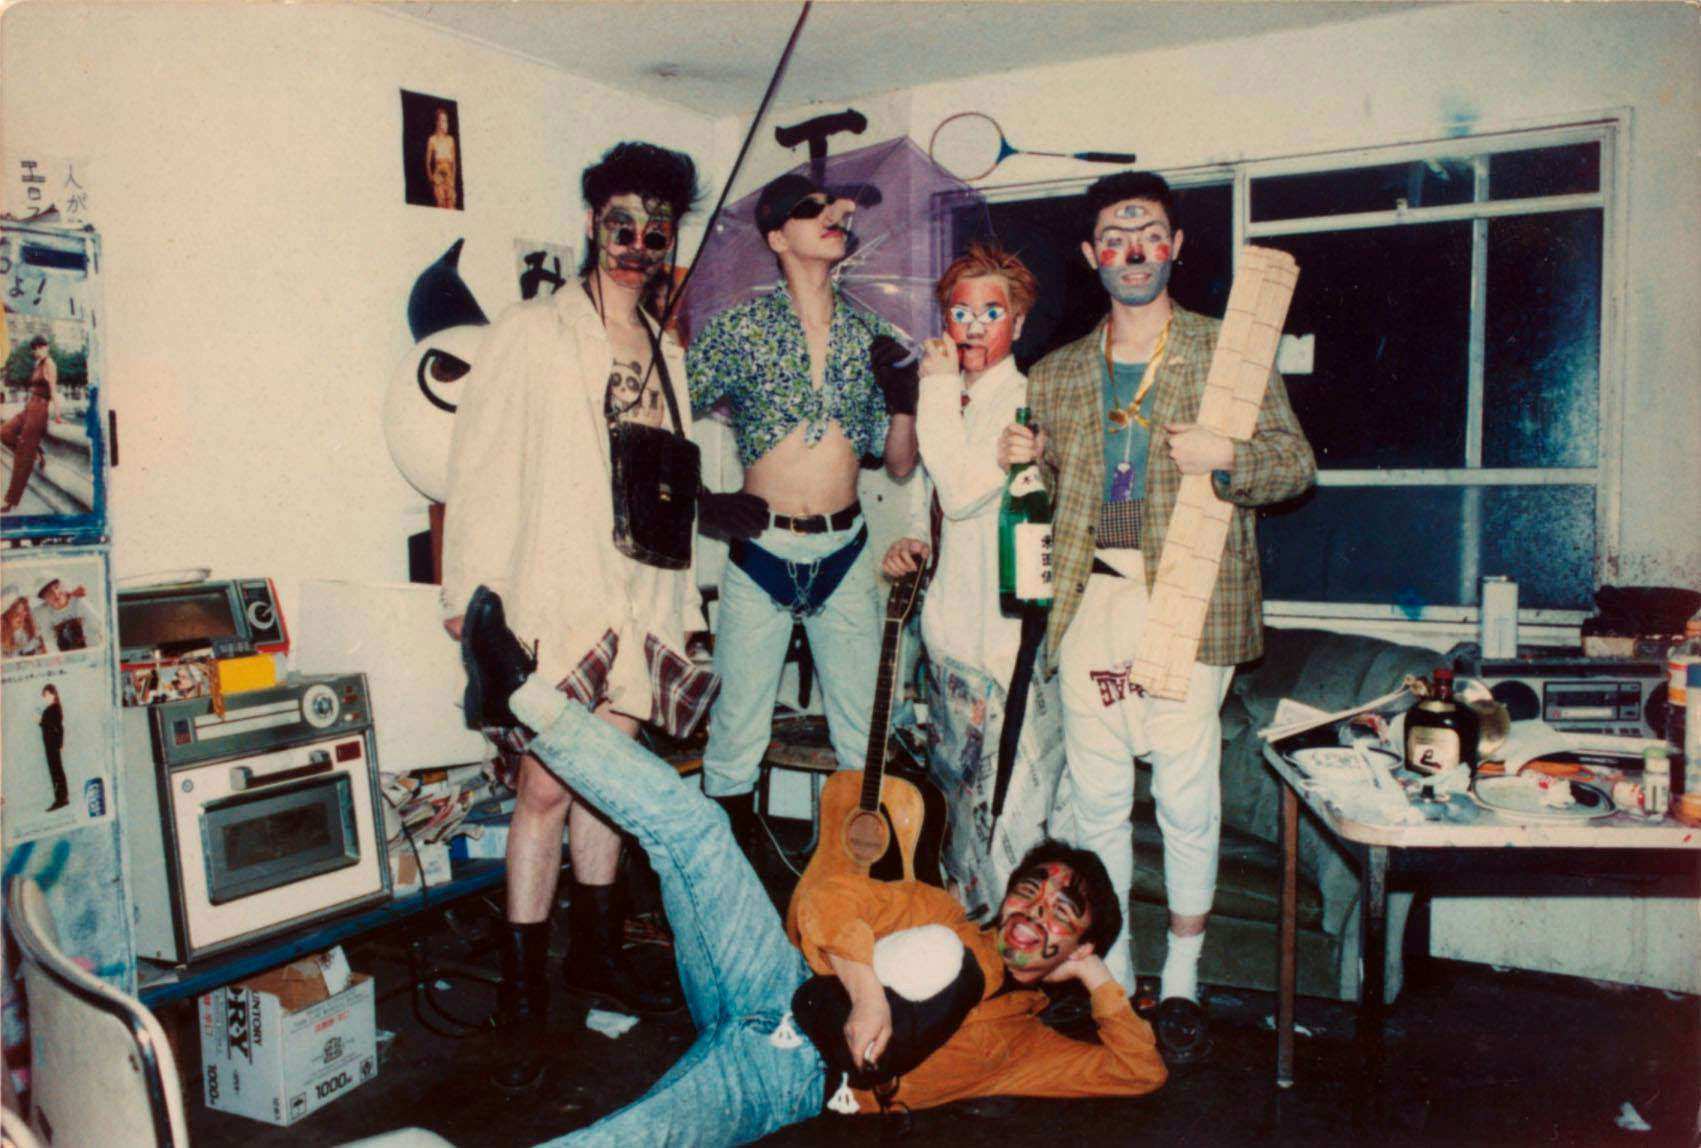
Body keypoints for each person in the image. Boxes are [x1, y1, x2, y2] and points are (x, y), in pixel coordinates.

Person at [454, 587, 1166, 1148]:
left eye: (1060, 916)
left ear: (1077, 948)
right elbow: (826, 899)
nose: (1033, 913)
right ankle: (519, 694)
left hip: (792, 1077)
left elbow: (1139, 1070)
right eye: (1030, 892)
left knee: (640, 1136)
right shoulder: (946, 916)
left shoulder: (1026, 1045)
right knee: (699, 828)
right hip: (774, 979)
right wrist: (867, 993)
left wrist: (1094, 975)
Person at [442, 141, 750, 1092]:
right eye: (621, 225)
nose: (636, 245)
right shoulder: (531, 331)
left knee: (609, 788)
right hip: (556, 595)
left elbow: (669, 486)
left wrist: (686, 597)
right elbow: (478, 467)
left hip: (640, 599)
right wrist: (468, 600)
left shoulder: (668, 347)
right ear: (591, 224)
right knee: (544, 790)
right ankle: (523, 985)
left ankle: (595, 957)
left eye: (655, 232)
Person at [1006, 171, 1315, 1063]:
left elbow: (1293, 466)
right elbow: (1045, 501)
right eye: (1114, 236)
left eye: (1149, 236)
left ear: (1175, 248)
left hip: (1188, 601)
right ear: (1090, 254)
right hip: (1088, 604)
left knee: (1184, 796)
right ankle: (1112, 973)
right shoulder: (1055, 373)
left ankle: (1181, 980)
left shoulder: (1228, 353)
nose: (1132, 251)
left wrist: (1225, 457)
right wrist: (1019, 460)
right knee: (1097, 802)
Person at [687, 172, 920, 844]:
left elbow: (898, 464)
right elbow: (664, 415)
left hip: (844, 552)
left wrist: (903, 401)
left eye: (835, 208)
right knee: (736, 734)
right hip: (760, 551)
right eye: (810, 208)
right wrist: (703, 503)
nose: (832, 214)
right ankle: (726, 886)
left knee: (862, 737)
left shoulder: (872, 332)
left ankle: (851, 884)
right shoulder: (739, 329)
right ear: (775, 237)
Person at [881, 243, 1065, 918]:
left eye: (992, 312)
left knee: (1006, 809)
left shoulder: (1020, 400)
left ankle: (1009, 942)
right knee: (956, 809)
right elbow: (942, 503)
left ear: (1018, 321)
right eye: (961, 312)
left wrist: (930, 387)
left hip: (1000, 642)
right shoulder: (957, 400)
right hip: (950, 635)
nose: (975, 327)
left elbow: (960, 492)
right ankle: (966, 942)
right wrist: (915, 541)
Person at [2, 335, 59, 513]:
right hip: (29, 406)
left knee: (22, 457)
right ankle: (36, 453)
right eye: (34, 349)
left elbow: (53, 390)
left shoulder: (50, 364)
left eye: (40, 347)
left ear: (46, 347)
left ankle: (10, 501)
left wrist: (57, 414)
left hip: (39, 410)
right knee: (4, 432)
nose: (37, 351)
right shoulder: (37, 364)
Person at [33, 577, 100, 652]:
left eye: (56, 587)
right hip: (65, 656)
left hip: (89, 651)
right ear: (44, 599)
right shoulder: (44, 613)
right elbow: (49, 640)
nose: (55, 594)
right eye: (49, 593)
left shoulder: (78, 602)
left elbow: (94, 629)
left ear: (62, 587)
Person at [39, 684, 68, 812]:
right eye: (44, 695)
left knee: (56, 771)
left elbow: (59, 727)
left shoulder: (53, 709)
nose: (45, 697)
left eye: (47, 695)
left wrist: (60, 743)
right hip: (51, 744)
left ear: (53, 694)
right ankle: (62, 798)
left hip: (52, 745)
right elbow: (50, 725)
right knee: (57, 771)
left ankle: (61, 799)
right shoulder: (52, 708)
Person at [425, 107, 458, 210]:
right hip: (438, 176)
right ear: (437, 122)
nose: (445, 123)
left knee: (451, 206)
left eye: (446, 121)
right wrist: (431, 179)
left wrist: (453, 180)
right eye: (443, 120)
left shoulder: (450, 140)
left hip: (449, 177)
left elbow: (454, 163)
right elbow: (427, 162)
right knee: (440, 205)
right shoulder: (432, 140)